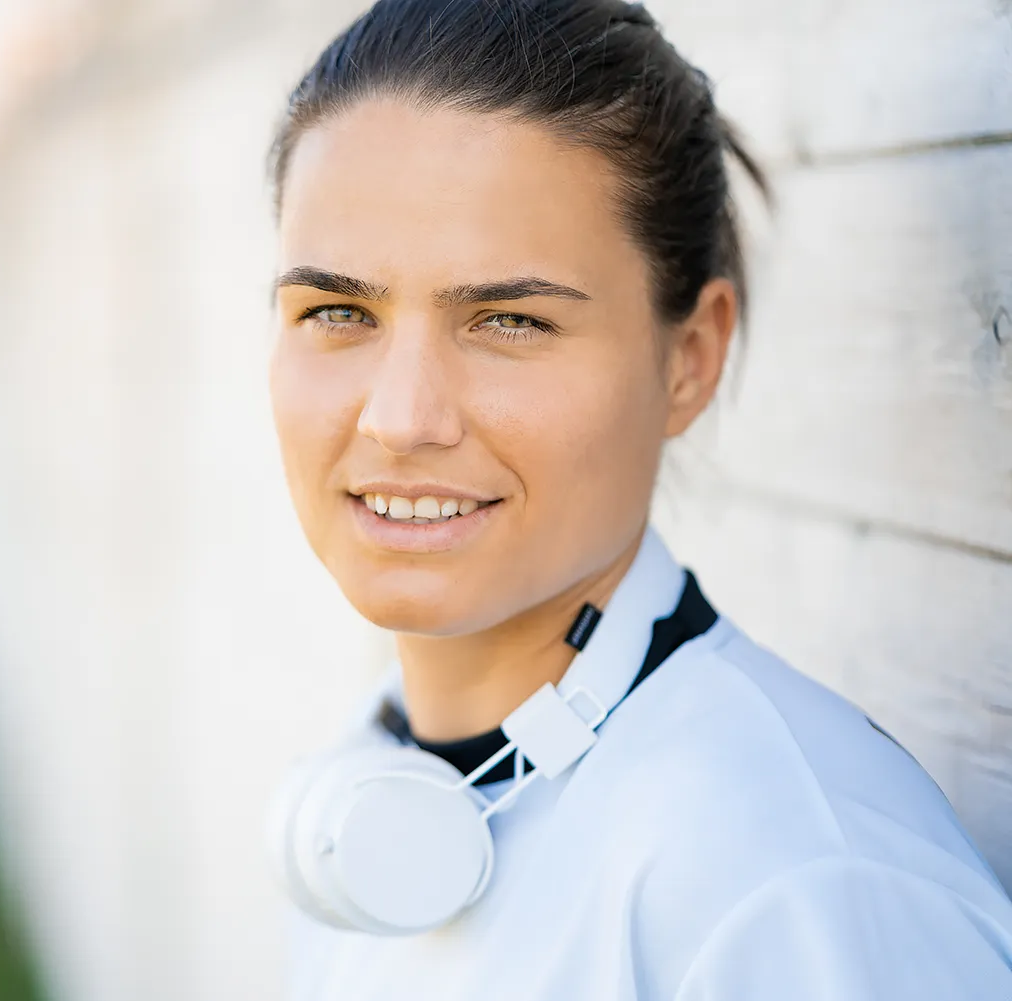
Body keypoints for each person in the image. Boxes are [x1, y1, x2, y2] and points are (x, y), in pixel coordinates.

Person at [262, 1, 1012, 998]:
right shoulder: (373, 795)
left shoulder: (795, 887)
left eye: (510, 320)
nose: (401, 418)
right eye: (339, 310)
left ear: (689, 358)